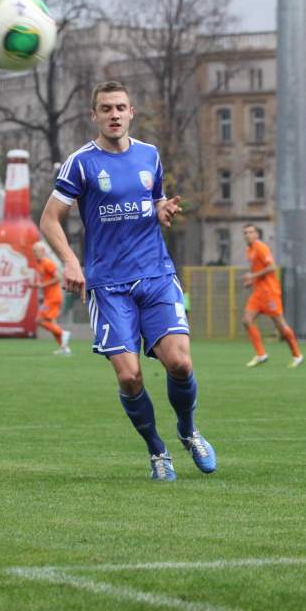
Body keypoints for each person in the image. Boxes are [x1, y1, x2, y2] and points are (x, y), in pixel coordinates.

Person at [37, 79, 216, 481]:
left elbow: (152, 202)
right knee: (130, 375)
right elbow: (49, 219)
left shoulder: (150, 156)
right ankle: (158, 451)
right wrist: (70, 261)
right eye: (106, 109)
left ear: (131, 112)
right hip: (108, 284)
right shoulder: (80, 163)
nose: (114, 115)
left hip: (155, 273)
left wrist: (161, 211)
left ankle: (188, 431)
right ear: (94, 115)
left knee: (181, 364)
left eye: (120, 107)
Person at [241, 224, 303, 368]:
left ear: (257, 235)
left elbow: (271, 267)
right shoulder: (248, 250)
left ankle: (297, 355)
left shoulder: (261, 247)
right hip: (258, 293)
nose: (248, 235)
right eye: (245, 233)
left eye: (251, 232)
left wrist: (253, 275)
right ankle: (261, 354)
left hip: (269, 293)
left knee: (280, 326)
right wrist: (251, 281)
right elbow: (258, 269)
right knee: (246, 320)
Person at [29, 241, 71, 355]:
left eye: (36, 251)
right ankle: (64, 349)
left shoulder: (47, 263)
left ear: (42, 251)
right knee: (51, 323)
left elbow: (58, 278)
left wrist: (41, 285)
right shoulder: (39, 264)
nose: (34, 253)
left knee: (39, 320)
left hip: (53, 297)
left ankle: (63, 333)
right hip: (49, 297)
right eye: (33, 252)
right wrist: (34, 285)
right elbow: (45, 280)